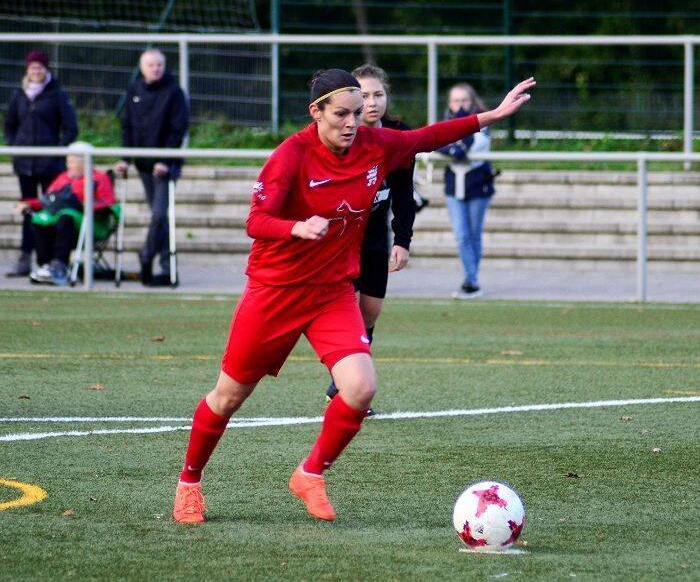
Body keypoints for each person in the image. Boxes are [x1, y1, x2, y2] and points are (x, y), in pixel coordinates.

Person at [171, 69, 535, 525]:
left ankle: (310, 474)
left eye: (357, 113)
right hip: (275, 293)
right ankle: (189, 483)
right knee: (228, 397)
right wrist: (295, 227)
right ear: (316, 112)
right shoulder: (290, 156)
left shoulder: (375, 145)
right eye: (341, 114)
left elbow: (427, 137)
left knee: (361, 388)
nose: (351, 123)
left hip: (332, 293)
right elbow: (256, 221)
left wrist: (492, 115)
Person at [324, 64, 417, 412]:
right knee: (345, 312)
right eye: (363, 95)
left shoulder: (398, 136)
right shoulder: (340, 135)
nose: (372, 102)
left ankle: (343, 384)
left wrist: (403, 240)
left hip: (376, 236)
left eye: (378, 94)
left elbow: (404, 193)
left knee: (370, 312)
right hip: (341, 238)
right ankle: (346, 388)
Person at [115, 48, 188, 287]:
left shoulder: (174, 92)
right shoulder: (134, 89)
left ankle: (146, 254)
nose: (155, 69)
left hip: (166, 166)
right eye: (151, 65)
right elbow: (127, 125)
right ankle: (167, 268)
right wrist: (126, 158)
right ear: (142, 67)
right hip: (144, 164)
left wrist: (165, 160)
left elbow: (178, 128)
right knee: (160, 218)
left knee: (158, 214)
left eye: (159, 65)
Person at [4, 49, 78, 277]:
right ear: (27, 70)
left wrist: (56, 151)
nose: (36, 71)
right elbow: (9, 125)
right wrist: (15, 146)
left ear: (46, 69)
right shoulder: (19, 95)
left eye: (40, 67)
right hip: (25, 164)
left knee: (50, 209)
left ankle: (50, 260)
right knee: (28, 209)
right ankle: (25, 256)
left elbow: (71, 128)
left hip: (50, 166)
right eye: (33, 67)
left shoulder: (57, 94)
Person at [14, 142, 115, 286]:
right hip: (60, 222)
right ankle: (46, 265)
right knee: (40, 218)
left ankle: (60, 264)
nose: (68, 165)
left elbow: (108, 202)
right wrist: (28, 204)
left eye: (72, 162)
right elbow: (48, 200)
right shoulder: (63, 178)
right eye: (68, 161)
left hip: (89, 223)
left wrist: (86, 205)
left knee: (65, 217)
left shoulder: (99, 178)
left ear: (85, 162)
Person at [438, 83, 498, 299]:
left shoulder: (484, 122)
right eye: (456, 101)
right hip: (454, 185)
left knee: (474, 234)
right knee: (462, 236)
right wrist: (451, 145)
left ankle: (471, 281)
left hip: (478, 184)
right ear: (449, 103)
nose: (460, 105)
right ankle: (471, 282)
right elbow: (438, 143)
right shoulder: (445, 122)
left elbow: (465, 149)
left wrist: (452, 144)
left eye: (464, 100)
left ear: (472, 102)